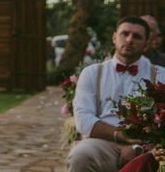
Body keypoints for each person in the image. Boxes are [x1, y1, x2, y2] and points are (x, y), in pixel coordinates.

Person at [68, 16, 165, 172]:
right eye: (124, 34)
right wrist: (122, 136)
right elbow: (83, 119)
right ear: (115, 37)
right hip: (102, 142)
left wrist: (139, 146)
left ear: (147, 45)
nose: (129, 40)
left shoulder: (161, 75)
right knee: (81, 155)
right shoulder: (92, 73)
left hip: (149, 147)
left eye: (137, 36)